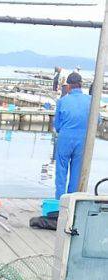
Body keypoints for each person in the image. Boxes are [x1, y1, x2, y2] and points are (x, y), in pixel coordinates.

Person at [54, 71, 91, 199]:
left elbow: (57, 125)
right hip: (83, 139)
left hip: (65, 137)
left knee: (61, 171)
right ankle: (71, 200)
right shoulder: (91, 100)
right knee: (76, 172)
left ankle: (59, 201)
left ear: (68, 86)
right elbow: (96, 121)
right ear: (81, 85)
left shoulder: (62, 101)